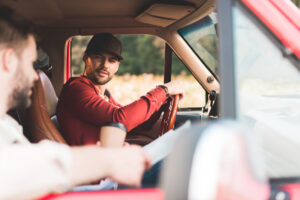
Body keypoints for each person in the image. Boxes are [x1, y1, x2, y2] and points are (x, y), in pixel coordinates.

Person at [0, 6, 151, 200]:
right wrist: (104, 160)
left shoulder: (7, 124)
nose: (34, 75)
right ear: (9, 60)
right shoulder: (77, 87)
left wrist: (100, 155)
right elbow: (13, 169)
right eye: (30, 63)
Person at [57, 33, 184, 146]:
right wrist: (163, 90)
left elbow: (137, 125)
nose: (105, 65)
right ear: (86, 58)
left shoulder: (103, 94)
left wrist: (161, 104)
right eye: (98, 57)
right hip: (98, 167)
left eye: (111, 60)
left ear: (117, 66)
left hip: (110, 159)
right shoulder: (76, 88)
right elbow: (120, 120)